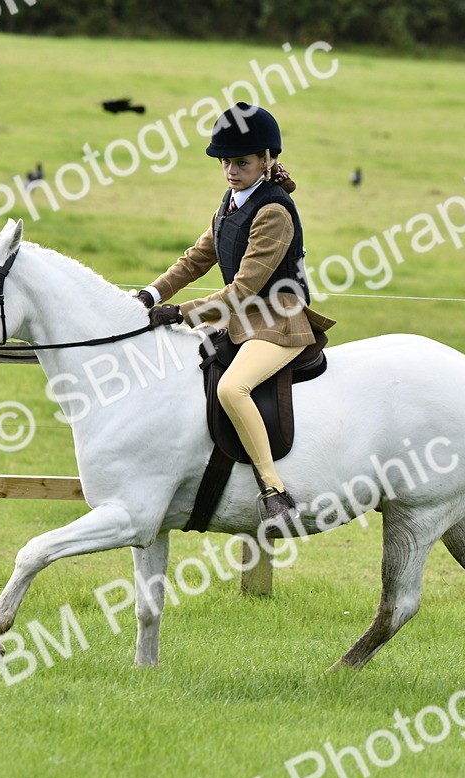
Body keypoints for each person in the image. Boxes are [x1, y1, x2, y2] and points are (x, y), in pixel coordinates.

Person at [135, 102, 335, 529]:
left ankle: (273, 490)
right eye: (225, 161)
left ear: (267, 159)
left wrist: (181, 313)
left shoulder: (273, 212)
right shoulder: (231, 201)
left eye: (241, 162)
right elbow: (196, 259)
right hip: (240, 319)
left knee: (232, 387)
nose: (230, 170)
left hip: (278, 322)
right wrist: (150, 295)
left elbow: (243, 289)